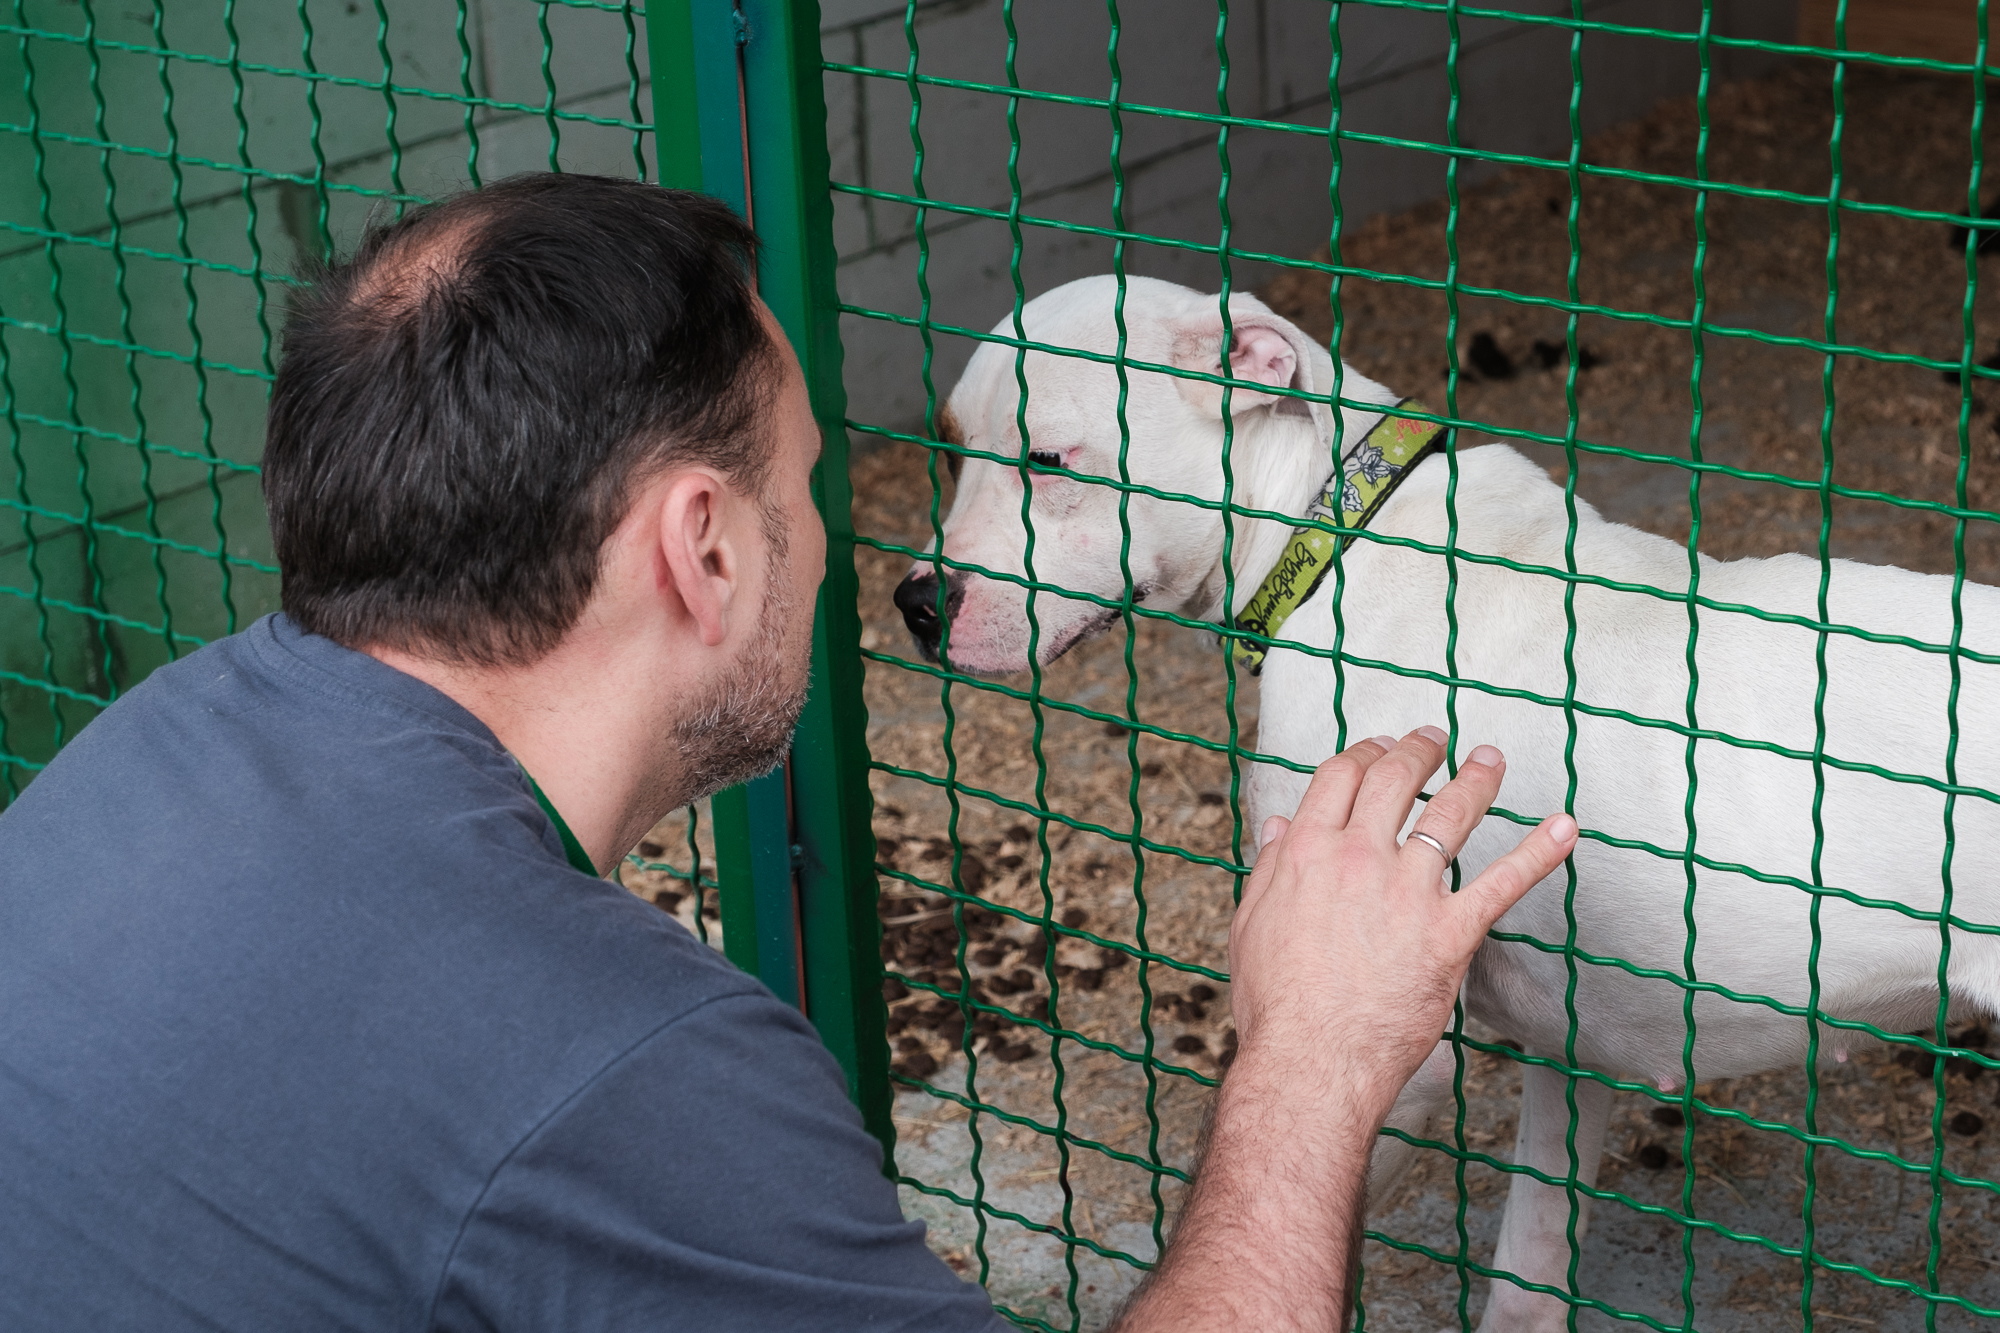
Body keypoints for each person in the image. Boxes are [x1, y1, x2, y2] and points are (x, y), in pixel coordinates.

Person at [0, 173, 1578, 1331]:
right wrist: (1309, 1061)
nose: (847, 546)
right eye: (813, 485)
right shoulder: (626, 1060)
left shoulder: (134, 757)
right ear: (703, 548)